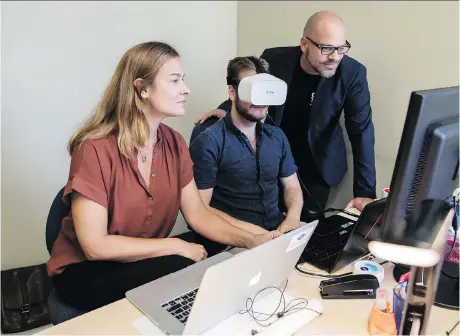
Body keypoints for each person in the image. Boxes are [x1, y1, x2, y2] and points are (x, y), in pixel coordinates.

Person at [46, 41, 280, 312]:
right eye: (174, 80)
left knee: (215, 253)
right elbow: (95, 246)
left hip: (140, 258)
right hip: (86, 270)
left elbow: (199, 215)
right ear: (142, 88)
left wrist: (253, 241)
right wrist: (175, 246)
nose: (186, 89)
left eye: (184, 80)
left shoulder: (175, 143)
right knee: (186, 265)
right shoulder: (94, 149)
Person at [195, 11, 377, 220]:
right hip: (273, 154)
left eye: (341, 48)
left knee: (306, 227)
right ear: (304, 44)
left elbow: (361, 130)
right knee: (268, 218)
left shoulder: (353, 73)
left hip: (318, 162)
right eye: (326, 48)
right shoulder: (274, 59)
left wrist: (365, 193)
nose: (335, 56)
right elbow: (251, 89)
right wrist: (228, 108)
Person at [188, 56, 303, 254]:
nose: (261, 100)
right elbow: (200, 208)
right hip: (234, 241)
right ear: (232, 92)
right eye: (252, 90)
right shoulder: (209, 141)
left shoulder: (277, 137)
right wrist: (254, 236)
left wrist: (292, 218)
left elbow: (292, 186)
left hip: (278, 230)